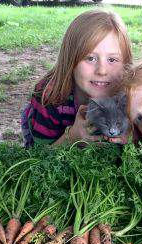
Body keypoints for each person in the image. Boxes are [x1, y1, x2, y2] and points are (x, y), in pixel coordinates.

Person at [21, 9, 132, 147]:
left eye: (112, 59)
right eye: (90, 58)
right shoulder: (50, 97)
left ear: (126, 64)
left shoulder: (131, 96)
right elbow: (39, 157)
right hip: (48, 136)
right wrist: (71, 138)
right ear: (70, 61)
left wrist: (132, 136)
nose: (102, 70)